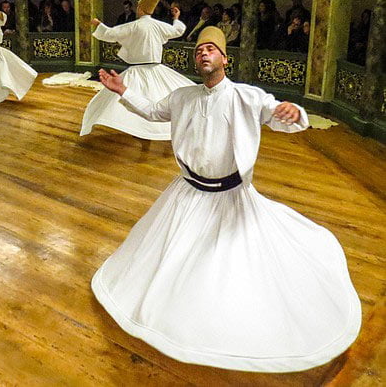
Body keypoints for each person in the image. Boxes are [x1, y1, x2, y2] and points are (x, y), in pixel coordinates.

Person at [92, 26, 361, 373]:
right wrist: (123, 91)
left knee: (228, 266)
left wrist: (292, 113)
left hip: (232, 199)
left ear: (224, 59)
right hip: (187, 194)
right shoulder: (182, 96)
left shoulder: (247, 96)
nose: (203, 54)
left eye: (210, 50)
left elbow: (275, 113)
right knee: (173, 257)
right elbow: (154, 112)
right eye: (198, 50)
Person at [80, 0, 194, 140]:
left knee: (126, 97)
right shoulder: (158, 25)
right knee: (158, 96)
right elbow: (177, 31)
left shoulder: (135, 26)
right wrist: (176, 18)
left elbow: (112, 33)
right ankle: (153, 128)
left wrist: (99, 25)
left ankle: (145, 129)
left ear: (140, 9)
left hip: (140, 70)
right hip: (155, 69)